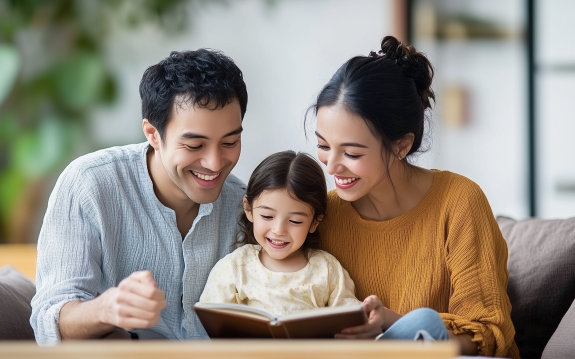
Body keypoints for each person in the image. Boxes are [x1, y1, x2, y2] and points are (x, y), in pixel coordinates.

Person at [309, 36, 520, 358]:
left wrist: (392, 324)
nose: (332, 166)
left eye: (351, 152)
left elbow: (488, 336)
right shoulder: (323, 214)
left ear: (401, 146)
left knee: (423, 325)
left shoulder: (459, 201)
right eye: (324, 146)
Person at [30, 49, 248, 344]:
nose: (215, 163)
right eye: (195, 145)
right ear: (152, 134)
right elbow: (48, 324)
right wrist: (106, 309)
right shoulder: (90, 184)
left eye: (230, 141)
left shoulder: (246, 205)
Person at [199, 151, 361, 315]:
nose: (279, 230)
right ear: (249, 209)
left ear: (314, 222)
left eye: (295, 221)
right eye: (267, 216)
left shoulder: (326, 269)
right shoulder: (235, 266)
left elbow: (350, 319)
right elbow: (212, 320)